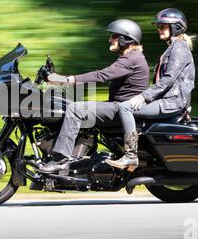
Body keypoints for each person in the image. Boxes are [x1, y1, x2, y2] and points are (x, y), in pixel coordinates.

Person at [38, 19, 149, 174]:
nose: (110, 39)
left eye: (114, 36)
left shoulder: (132, 59)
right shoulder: (131, 57)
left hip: (122, 108)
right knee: (78, 106)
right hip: (118, 105)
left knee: (76, 108)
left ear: (126, 38)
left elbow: (102, 75)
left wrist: (65, 80)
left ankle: (60, 159)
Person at [106, 8, 196, 172]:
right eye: (159, 26)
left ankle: (130, 155)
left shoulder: (179, 48)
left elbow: (169, 79)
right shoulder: (173, 47)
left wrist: (143, 97)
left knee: (125, 107)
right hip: (168, 100)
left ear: (175, 27)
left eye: (163, 26)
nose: (159, 29)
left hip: (171, 103)